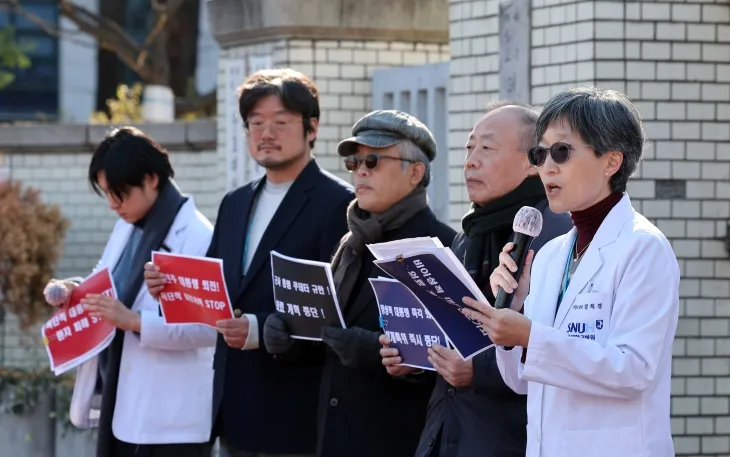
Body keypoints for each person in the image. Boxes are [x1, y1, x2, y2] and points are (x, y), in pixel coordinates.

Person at [145, 68, 354, 457]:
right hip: (233, 406)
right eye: (255, 123)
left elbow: (337, 308)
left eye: (280, 122)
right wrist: (169, 288)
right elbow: (218, 292)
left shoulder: (337, 204)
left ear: (312, 128)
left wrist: (259, 328)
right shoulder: (234, 202)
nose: (266, 133)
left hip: (296, 412)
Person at [462, 87, 680, 457]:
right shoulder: (550, 255)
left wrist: (531, 335)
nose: (547, 166)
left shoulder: (643, 248)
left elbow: (634, 369)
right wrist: (512, 321)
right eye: (540, 153)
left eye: (562, 151)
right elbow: (520, 382)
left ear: (611, 161)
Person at [380, 102, 573, 457]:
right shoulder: (470, 233)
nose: (470, 160)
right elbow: (453, 331)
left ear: (533, 162)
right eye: (469, 148)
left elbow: (567, 350)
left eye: (486, 148)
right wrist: (416, 356)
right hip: (447, 432)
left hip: (510, 438)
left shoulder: (556, 237)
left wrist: (480, 371)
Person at [263, 110, 456, 457]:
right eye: (354, 162)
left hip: (398, 441)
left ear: (416, 172)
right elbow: (330, 339)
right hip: (333, 439)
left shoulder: (441, 247)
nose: (361, 171)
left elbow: (454, 361)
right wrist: (289, 334)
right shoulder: (351, 243)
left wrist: (372, 352)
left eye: (373, 159)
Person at [49, 126, 216, 457]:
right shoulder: (128, 226)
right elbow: (105, 279)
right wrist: (72, 291)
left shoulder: (197, 235)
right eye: (107, 194)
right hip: (124, 406)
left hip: (174, 422)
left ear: (152, 178)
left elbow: (207, 328)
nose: (113, 205)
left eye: (119, 193)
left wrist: (135, 321)